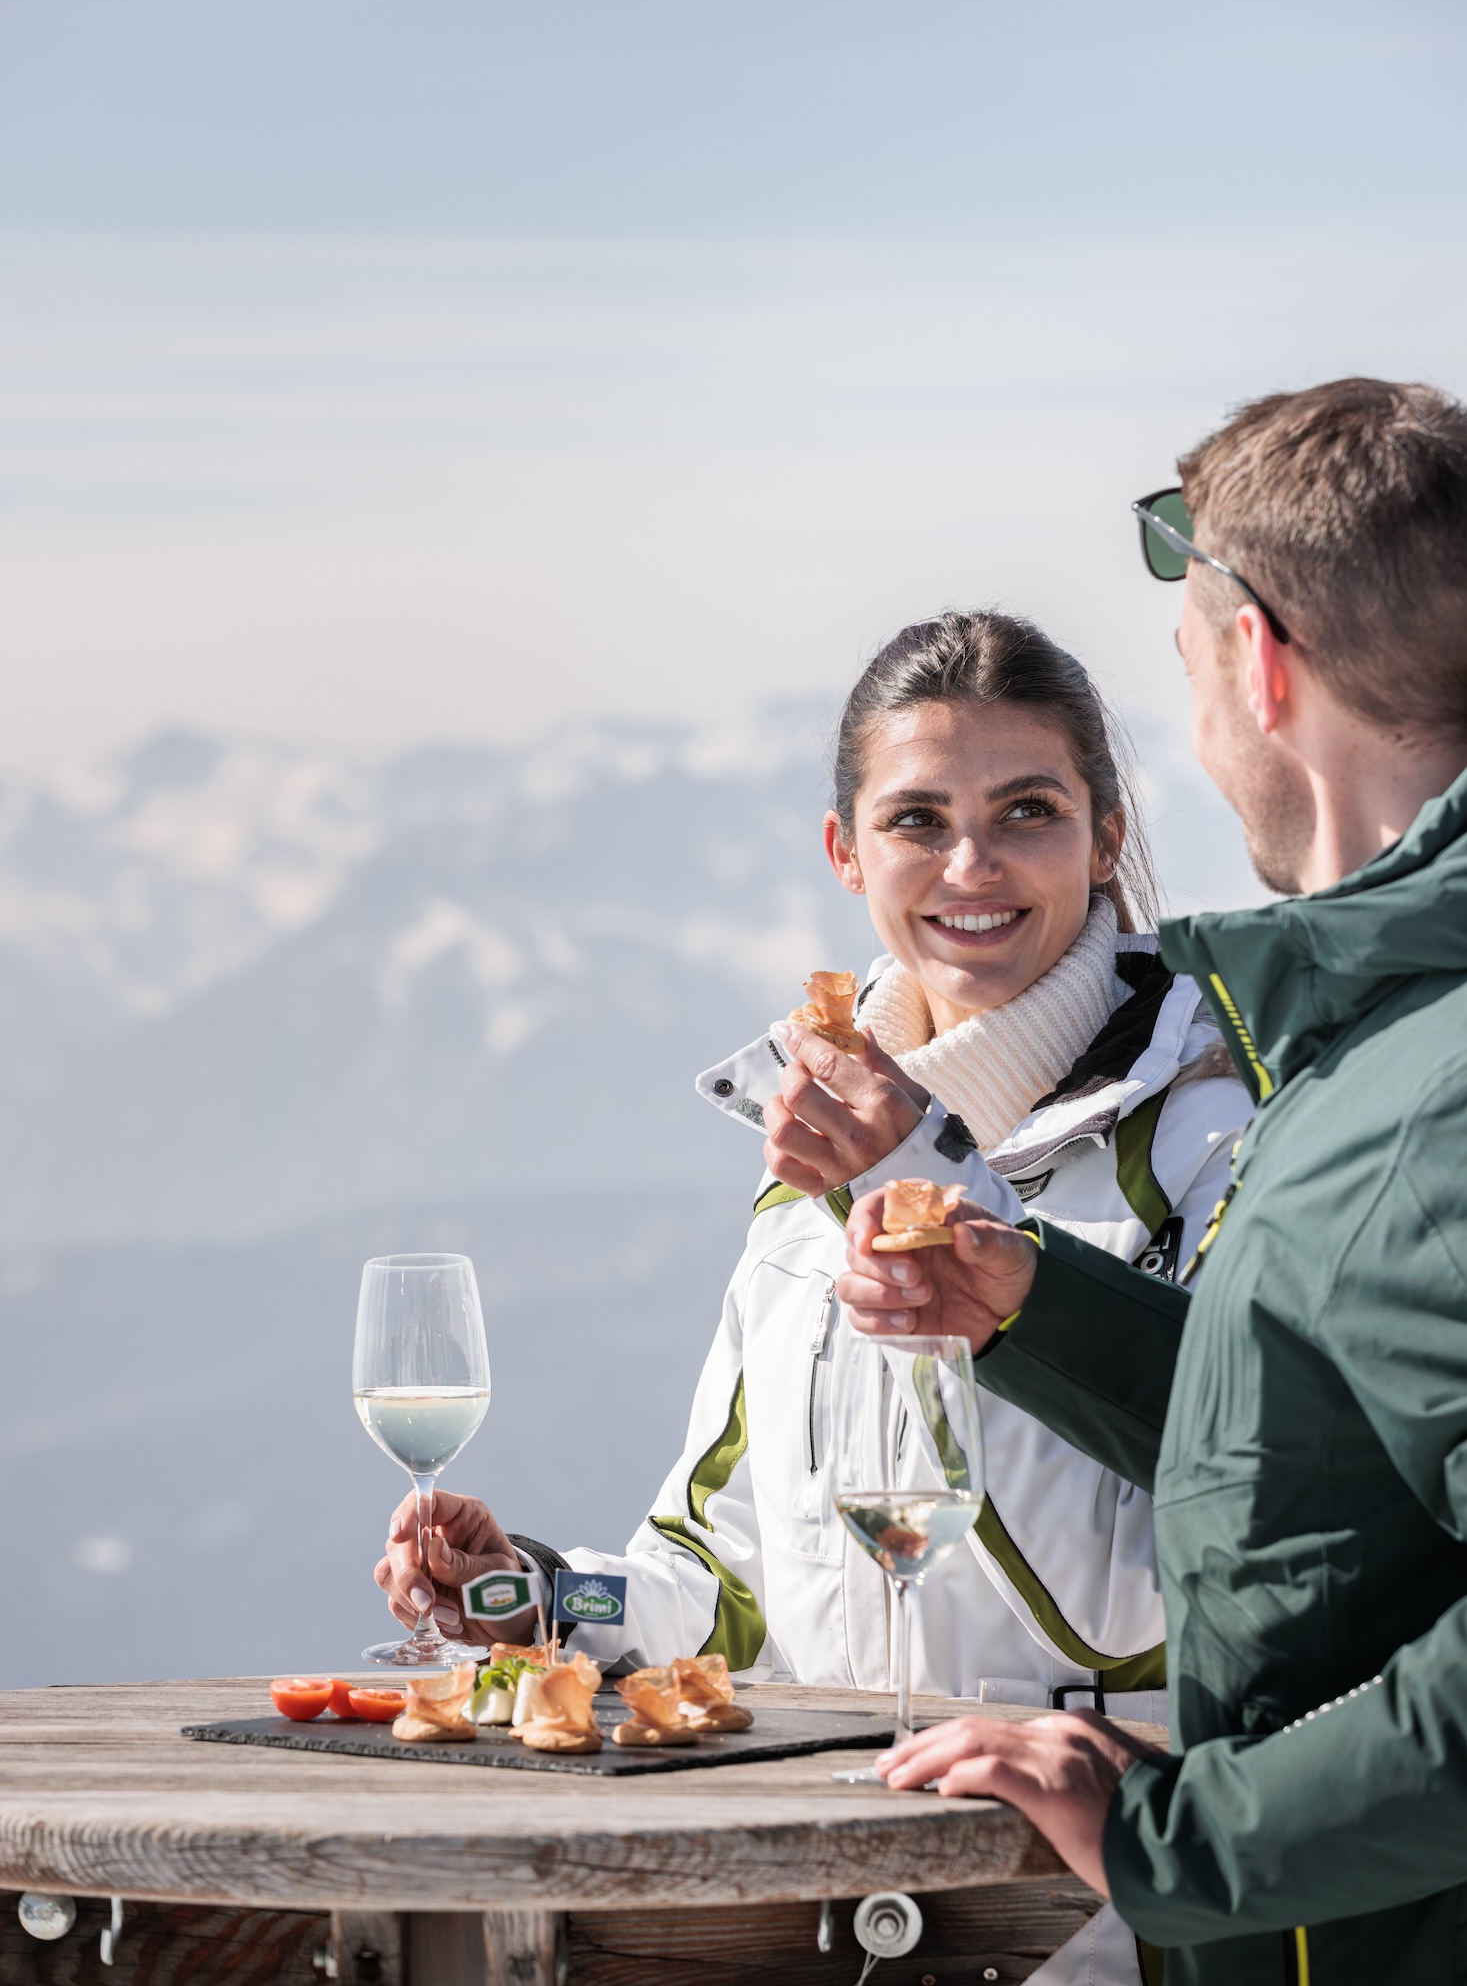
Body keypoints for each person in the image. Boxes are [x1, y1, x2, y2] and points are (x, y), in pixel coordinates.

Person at [374, 613, 1249, 1981]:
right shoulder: (808, 1184)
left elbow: (1211, 1534)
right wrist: (523, 1598)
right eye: (918, 819)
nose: (973, 866)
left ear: (1108, 837)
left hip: (1098, 1893)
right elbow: (720, 1589)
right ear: (847, 852)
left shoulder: (1210, 1133)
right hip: (821, 1888)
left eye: (1029, 810)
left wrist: (932, 1196)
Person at [839, 379, 1467, 1986]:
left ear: (1258, 666)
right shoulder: (1379, 1032)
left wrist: (1180, 1846)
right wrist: (1043, 1316)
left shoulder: (1429, 1083)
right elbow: (1337, 1476)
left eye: (1189, 673)